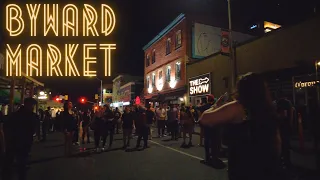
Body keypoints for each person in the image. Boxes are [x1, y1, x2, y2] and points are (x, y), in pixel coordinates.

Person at [200, 72, 282, 180]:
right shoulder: (268, 109)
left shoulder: (238, 107)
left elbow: (204, 119)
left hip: (243, 167)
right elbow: (277, 141)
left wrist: (216, 105)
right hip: (268, 166)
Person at [2, 97, 38, 180]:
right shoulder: (31, 116)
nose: (32, 107)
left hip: (14, 141)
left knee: (10, 163)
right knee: (21, 164)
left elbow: (7, 126)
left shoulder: (14, 115)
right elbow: (33, 129)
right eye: (32, 105)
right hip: (22, 142)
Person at [275, 90, 293, 168]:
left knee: (281, 144)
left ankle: (282, 161)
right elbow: (291, 114)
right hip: (286, 125)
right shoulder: (288, 103)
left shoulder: (277, 103)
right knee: (286, 144)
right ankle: (287, 161)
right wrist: (290, 123)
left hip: (280, 126)